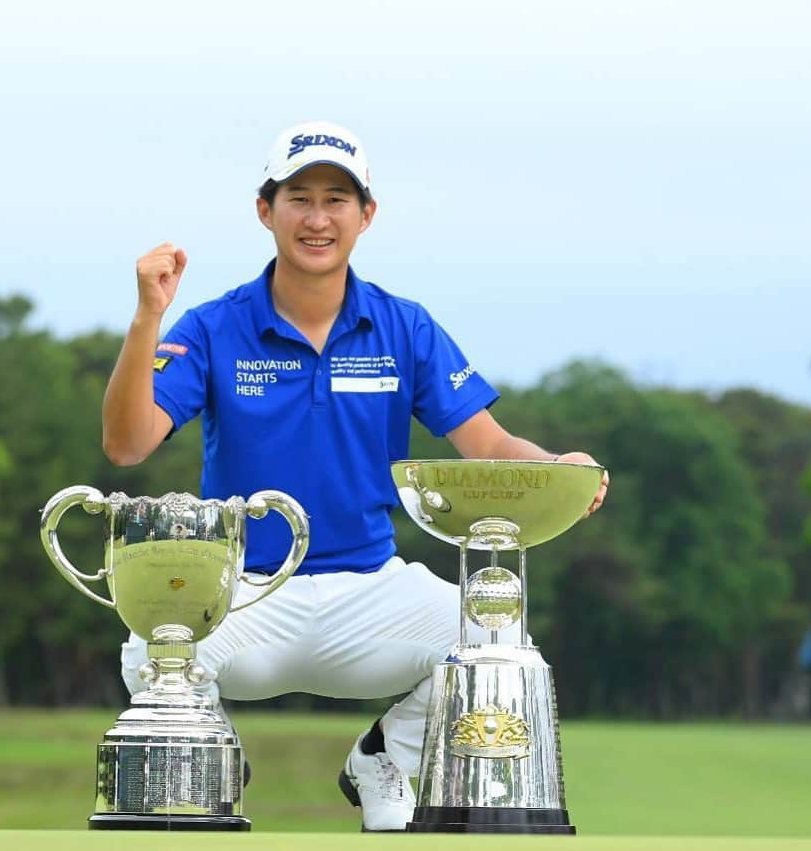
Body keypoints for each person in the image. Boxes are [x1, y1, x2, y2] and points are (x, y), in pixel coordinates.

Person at [102, 121, 609, 831]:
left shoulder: (404, 327)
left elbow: (487, 441)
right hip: (246, 590)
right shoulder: (215, 325)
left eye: (336, 200)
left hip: (371, 589)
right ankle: (211, 766)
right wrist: (145, 321)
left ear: (365, 215)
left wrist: (557, 468)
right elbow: (127, 444)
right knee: (148, 650)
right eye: (298, 198)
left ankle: (383, 760)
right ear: (264, 211)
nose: (316, 219)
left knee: (500, 646)